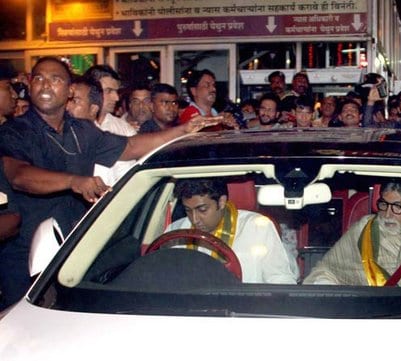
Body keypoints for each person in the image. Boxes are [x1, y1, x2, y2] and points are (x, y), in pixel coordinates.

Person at [0, 56, 221, 310]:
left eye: (55, 79)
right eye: (38, 78)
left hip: (72, 253)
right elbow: (19, 176)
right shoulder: (14, 131)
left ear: (70, 90)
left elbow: (130, 146)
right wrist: (75, 181)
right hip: (26, 256)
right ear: (29, 85)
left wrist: (182, 130)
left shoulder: (81, 130)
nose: (45, 85)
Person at [165, 178, 297, 284]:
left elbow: (279, 280)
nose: (194, 219)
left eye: (202, 210)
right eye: (188, 210)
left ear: (221, 202)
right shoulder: (175, 231)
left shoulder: (256, 228)